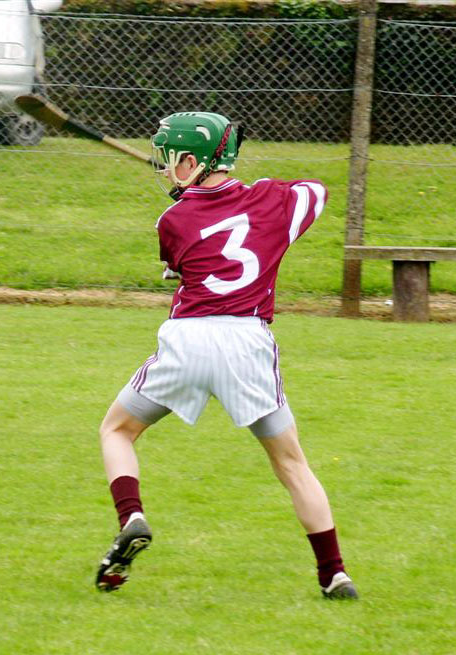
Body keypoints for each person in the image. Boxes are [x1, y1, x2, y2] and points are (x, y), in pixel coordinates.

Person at [95, 111, 358, 600]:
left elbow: (186, 262)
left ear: (192, 162)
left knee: (117, 430)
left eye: (171, 162)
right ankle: (333, 573)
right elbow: (315, 191)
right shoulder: (274, 200)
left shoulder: (170, 220)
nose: (164, 171)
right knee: (291, 463)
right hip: (247, 343)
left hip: (189, 340)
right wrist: (257, 191)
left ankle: (131, 515)